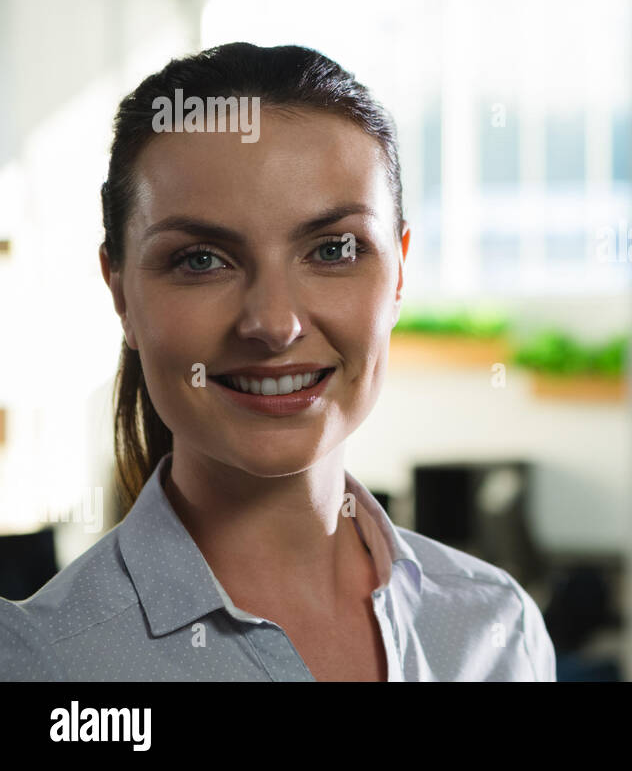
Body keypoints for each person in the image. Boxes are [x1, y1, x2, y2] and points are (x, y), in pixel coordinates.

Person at [0, 42, 555, 681]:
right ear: (120, 290)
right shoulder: (42, 664)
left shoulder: (497, 629)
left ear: (399, 272)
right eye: (202, 259)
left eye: (333, 250)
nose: (272, 323)